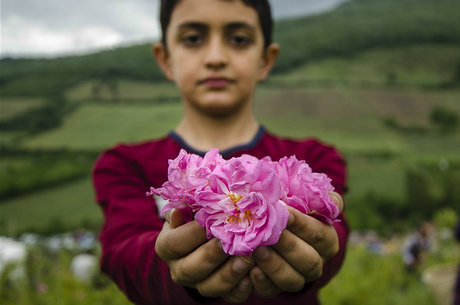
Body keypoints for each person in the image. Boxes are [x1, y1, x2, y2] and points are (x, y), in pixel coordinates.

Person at [92, 0, 349, 304]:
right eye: (192, 39)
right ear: (165, 59)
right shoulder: (123, 164)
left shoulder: (314, 160)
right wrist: (174, 266)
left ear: (266, 59)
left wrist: (320, 252)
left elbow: (333, 243)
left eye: (239, 39)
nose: (215, 58)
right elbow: (124, 255)